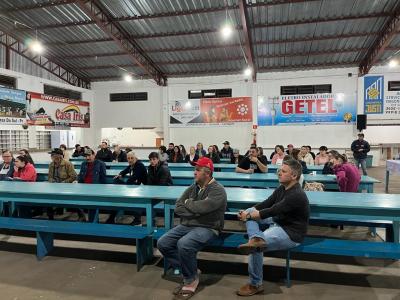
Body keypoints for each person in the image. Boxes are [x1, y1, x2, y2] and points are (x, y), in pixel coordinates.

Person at [236, 158, 309, 296]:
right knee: (252, 213)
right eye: (279, 171)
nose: (279, 173)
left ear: (294, 176)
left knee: (255, 248)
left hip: (290, 232)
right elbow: (266, 203)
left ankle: (255, 284)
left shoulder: (296, 194)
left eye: (283, 171)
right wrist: (248, 211)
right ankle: (256, 238)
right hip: (278, 221)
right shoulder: (282, 188)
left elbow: (272, 210)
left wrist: (249, 215)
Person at [157, 157, 227, 299]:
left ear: (207, 173)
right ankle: (192, 270)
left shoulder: (218, 190)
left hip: (209, 227)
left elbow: (203, 207)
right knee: (162, 243)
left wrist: (190, 204)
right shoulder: (193, 186)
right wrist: (195, 209)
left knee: (184, 244)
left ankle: (190, 280)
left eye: (197, 170)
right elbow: (178, 207)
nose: (194, 172)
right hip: (188, 225)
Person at [47, 148, 77, 220]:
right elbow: (50, 177)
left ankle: (77, 211)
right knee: (47, 199)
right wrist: (52, 180)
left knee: (70, 200)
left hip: (66, 187)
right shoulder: (51, 165)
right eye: (51, 155)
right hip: (54, 187)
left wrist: (64, 182)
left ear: (59, 156)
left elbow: (74, 176)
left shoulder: (67, 164)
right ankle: (50, 217)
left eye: (53, 155)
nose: (51, 157)